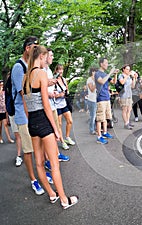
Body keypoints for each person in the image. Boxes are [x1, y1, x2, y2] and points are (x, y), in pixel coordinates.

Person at [23, 45, 78, 209]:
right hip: (44, 122)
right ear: (41, 57)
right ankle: (64, 200)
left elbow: (28, 103)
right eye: (46, 56)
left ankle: (52, 195)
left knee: (39, 163)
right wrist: (56, 129)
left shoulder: (25, 77)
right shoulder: (40, 73)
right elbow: (47, 106)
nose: (47, 59)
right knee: (54, 164)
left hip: (32, 123)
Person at [11, 36, 46, 194]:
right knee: (28, 150)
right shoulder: (19, 67)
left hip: (33, 114)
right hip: (23, 114)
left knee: (39, 147)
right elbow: (24, 94)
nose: (37, 52)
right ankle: (33, 180)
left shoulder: (30, 66)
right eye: (34, 48)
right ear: (27, 49)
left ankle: (42, 176)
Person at [44, 48, 69, 171]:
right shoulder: (41, 70)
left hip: (53, 104)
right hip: (47, 105)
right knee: (50, 132)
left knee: (55, 132)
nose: (52, 57)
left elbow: (48, 87)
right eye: (51, 55)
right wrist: (51, 93)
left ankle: (56, 154)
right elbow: (40, 88)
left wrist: (52, 90)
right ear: (44, 56)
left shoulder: (48, 70)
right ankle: (48, 159)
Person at [95, 58, 118, 144]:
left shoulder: (105, 74)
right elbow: (101, 82)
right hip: (101, 98)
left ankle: (105, 132)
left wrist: (115, 74)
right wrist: (110, 73)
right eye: (106, 63)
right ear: (101, 64)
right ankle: (99, 137)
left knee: (105, 117)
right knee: (100, 118)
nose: (107, 64)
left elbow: (114, 82)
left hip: (107, 97)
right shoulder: (97, 74)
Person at [53, 64, 76, 147]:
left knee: (70, 121)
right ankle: (62, 142)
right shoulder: (53, 81)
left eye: (62, 69)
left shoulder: (63, 80)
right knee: (59, 124)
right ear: (56, 71)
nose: (61, 71)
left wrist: (66, 93)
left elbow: (67, 90)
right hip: (57, 105)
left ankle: (67, 137)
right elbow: (51, 95)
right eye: (59, 69)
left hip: (64, 104)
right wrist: (59, 95)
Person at [118, 64, 135, 129]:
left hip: (129, 94)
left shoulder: (129, 76)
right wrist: (127, 75)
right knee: (124, 109)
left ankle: (127, 122)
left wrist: (134, 78)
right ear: (123, 69)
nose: (128, 70)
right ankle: (126, 123)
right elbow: (122, 82)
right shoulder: (121, 75)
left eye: (129, 69)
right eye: (127, 69)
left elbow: (133, 86)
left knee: (129, 109)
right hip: (123, 95)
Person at [0, 80, 15, 144]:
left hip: (4, 110)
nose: (2, 86)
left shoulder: (4, 92)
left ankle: (9, 138)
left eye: (2, 85)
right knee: (0, 126)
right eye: (1, 85)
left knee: (5, 124)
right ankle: (0, 138)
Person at [86, 67, 97, 135]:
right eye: (95, 71)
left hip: (96, 99)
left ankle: (95, 128)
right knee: (92, 116)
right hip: (91, 100)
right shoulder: (89, 79)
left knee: (95, 116)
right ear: (92, 72)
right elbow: (92, 89)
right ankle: (91, 130)